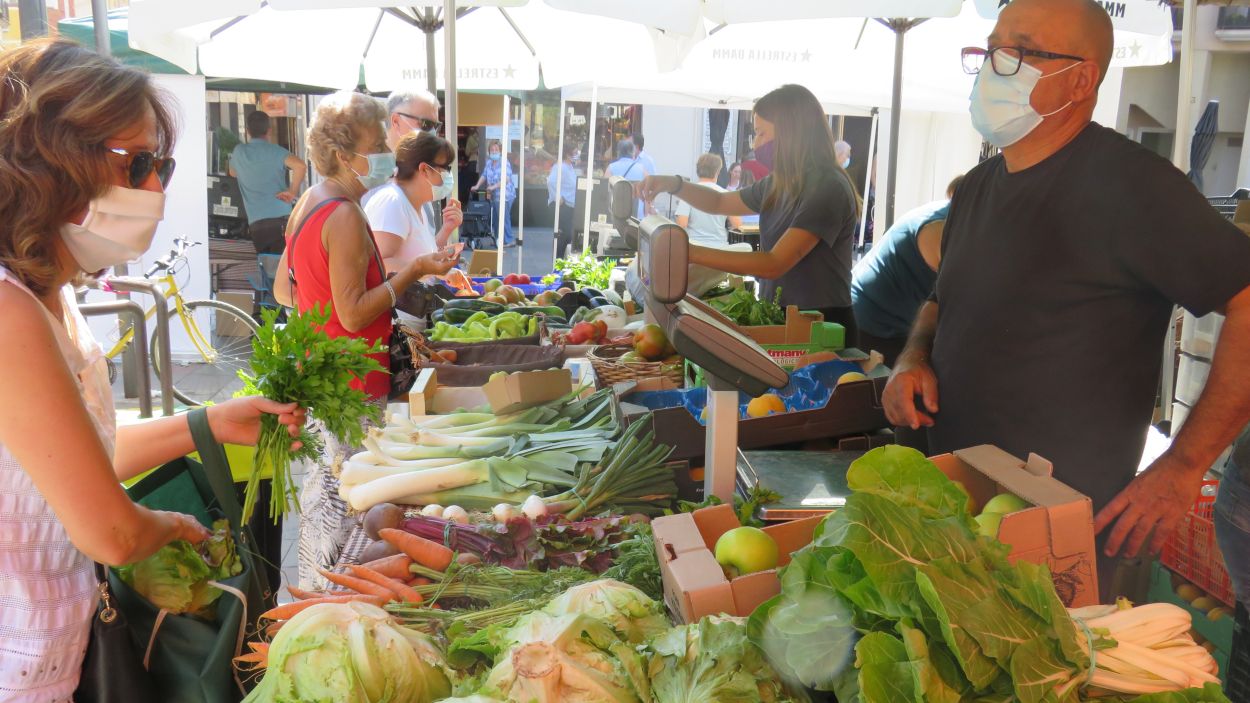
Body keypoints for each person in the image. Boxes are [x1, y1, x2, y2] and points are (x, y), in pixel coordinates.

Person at [881, 0, 1250, 595]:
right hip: (956, 500)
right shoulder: (978, 185)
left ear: (1080, 79)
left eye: (1019, 51)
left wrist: (1184, 466)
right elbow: (941, 298)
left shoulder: (1135, 187)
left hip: (1060, 534)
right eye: (990, 49)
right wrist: (913, 357)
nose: (992, 68)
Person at [0, 39, 305, 699]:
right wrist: (173, 526)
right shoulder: (7, 312)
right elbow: (110, 530)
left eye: (160, 167)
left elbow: (82, 462)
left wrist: (212, 421)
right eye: (137, 163)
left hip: (62, 649)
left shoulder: (51, 299)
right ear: (47, 161)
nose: (153, 190)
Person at [271, 91, 457, 587]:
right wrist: (414, 269)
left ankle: (312, 587)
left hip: (324, 375)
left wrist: (321, 316)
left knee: (326, 496)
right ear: (343, 154)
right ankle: (330, 597)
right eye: (376, 144)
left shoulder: (311, 200)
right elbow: (353, 315)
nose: (385, 156)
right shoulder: (347, 215)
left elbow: (282, 289)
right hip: (353, 384)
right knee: (352, 504)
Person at [640, 84, 861, 343]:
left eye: (761, 133)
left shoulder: (827, 187)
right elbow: (719, 201)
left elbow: (774, 263)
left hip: (821, 325)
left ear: (791, 133)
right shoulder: (781, 182)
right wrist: (674, 184)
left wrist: (691, 253)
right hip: (779, 317)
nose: (755, 143)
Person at [851, 174, 963, 366]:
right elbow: (959, 304)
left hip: (889, 317)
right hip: (873, 319)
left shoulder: (953, 217)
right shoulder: (941, 230)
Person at [363, 131, 462, 276]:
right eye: (446, 168)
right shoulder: (392, 202)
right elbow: (380, 265)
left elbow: (424, 254)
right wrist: (431, 270)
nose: (448, 175)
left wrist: (447, 229)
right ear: (424, 169)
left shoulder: (416, 205)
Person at [229, 109, 307, 254]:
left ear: (247, 131)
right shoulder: (276, 151)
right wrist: (292, 192)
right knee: (287, 270)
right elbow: (300, 166)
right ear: (269, 131)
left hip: (257, 225)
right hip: (283, 220)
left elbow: (232, 173)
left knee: (268, 269)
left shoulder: (239, 152)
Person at [675, 153, 741, 247]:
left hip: (695, 249)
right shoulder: (726, 194)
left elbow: (681, 224)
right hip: (720, 249)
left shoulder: (688, 193)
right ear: (717, 171)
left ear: (697, 170)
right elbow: (738, 224)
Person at [471, 140, 517, 246]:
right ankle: (498, 239)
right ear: (489, 152)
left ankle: (509, 240)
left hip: (505, 195)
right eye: (492, 150)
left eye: (496, 149)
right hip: (494, 195)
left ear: (500, 151)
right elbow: (484, 175)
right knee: (496, 218)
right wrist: (477, 186)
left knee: (503, 217)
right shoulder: (489, 163)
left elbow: (506, 179)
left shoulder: (504, 162)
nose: (494, 151)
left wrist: (493, 186)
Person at [548, 142, 578, 260]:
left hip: (570, 205)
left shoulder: (570, 166)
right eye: (574, 153)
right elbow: (551, 181)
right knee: (563, 235)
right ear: (567, 154)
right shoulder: (560, 167)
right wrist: (557, 197)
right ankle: (558, 260)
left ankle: (562, 260)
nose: (576, 155)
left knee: (567, 236)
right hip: (563, 206)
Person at [607, 139, 648, 219]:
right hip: (637, 214)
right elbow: (648, 192)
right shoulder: (642, 169)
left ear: (618, 152)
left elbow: (604, 190)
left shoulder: (611, 168)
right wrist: (646, 213)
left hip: (617, 211)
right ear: (633, 153)